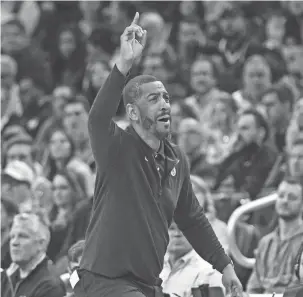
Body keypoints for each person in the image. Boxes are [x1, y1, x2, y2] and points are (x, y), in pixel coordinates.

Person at [74, 12, 242, 297]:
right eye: (153, 99)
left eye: (166, 98)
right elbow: (97, 119)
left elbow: (192, 218)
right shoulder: (117, 147)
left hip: (147, 284)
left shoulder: (176, 158)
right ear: (132, 113)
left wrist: (225, 267)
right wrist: (124, 64)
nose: (165, 104)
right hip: (104, 282)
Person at [247, 177, 303, 294]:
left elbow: (297, 289)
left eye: (292, 197)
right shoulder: (265, 242)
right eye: (281, 195)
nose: (285, 201)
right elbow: (253, 288)